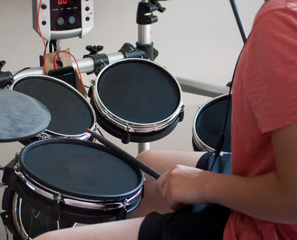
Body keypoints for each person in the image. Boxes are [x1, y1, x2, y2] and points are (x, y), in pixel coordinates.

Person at [34, 0, 297, 239]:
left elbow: (292, 199)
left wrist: (204, 185)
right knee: (147, 167)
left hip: (274, 223)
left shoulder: (280, 21)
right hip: (264, 171)